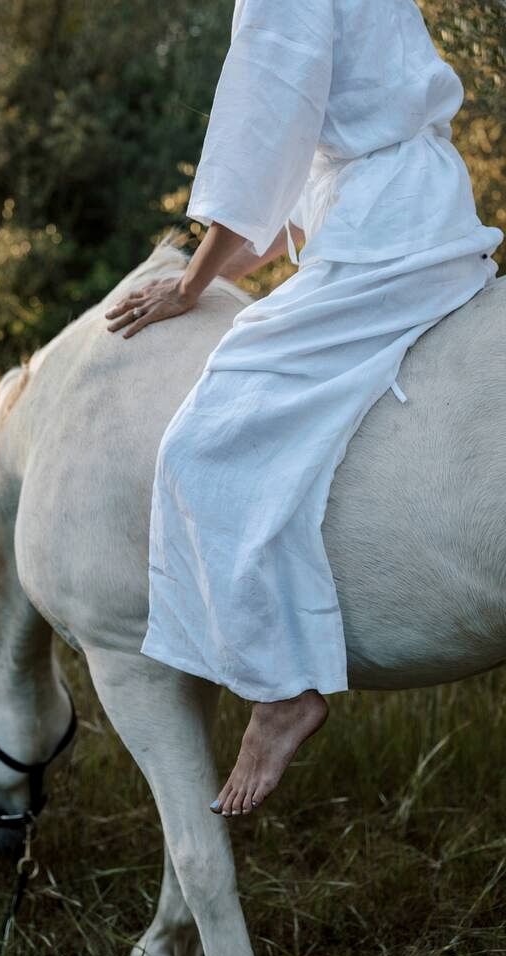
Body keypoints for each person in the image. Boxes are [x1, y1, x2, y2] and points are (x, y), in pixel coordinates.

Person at [104, 0, 503, 818]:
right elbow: (297, 190)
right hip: (429, 217)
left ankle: (282, 688)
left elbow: (261, 151)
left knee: (200, 447)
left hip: (380, 238)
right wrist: (208, 275)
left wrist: (188, 284)